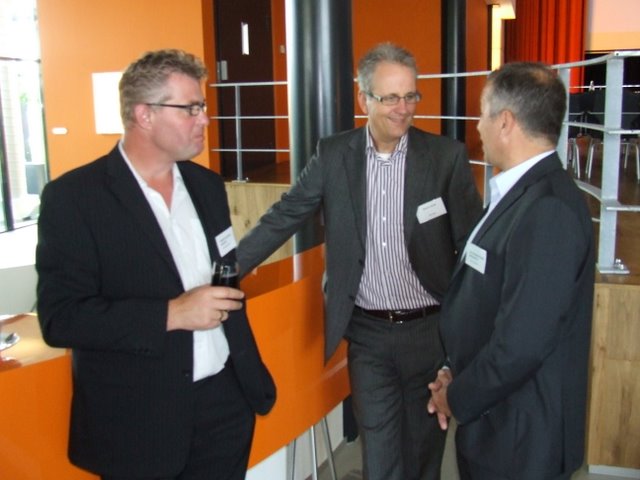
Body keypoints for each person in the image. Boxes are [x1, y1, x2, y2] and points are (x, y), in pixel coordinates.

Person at [237, 42, 482, 480]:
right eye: (390, 98)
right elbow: (288, 214)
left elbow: (468, 248)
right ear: (363, 98)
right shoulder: (334, 155)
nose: (403, 109)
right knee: (380, 458)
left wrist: (463, 339)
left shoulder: (445, 157)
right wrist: (229, 268)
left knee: (423, 456)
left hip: (430, 332)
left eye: (411, 96)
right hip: (368, 334)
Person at [36, 49, 275, 480]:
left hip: (226, 403)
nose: (205, 119)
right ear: (144, 115)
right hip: (139, 422)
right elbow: (62, 319)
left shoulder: (206, 185)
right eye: (190, 108)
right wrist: (172, 314)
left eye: (202, 106)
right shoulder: (74, 198)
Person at [427, 62, 595, 480]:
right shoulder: (521, 191)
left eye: (482, 114)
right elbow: (490, 300)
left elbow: (521, 346)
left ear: (505, 122)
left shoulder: (549, 209)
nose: (477, 126)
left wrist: (455, 397)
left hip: (519, 439)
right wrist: (453, 368)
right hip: (496, 422)